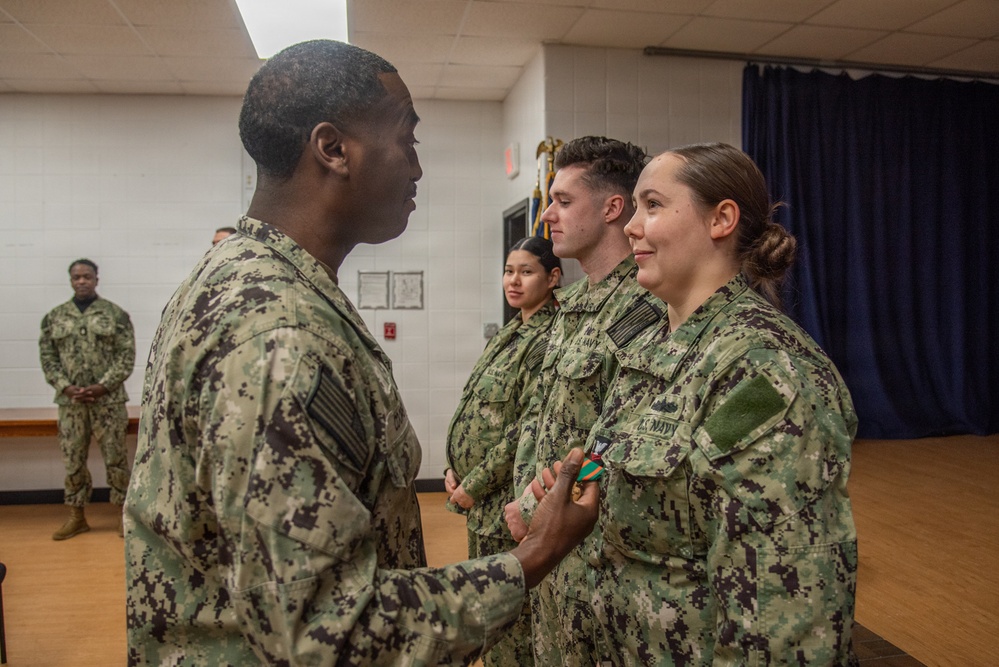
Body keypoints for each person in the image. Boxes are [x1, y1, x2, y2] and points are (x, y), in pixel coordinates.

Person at [123, 39, 598, 666]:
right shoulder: (279, 334)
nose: (417, 168)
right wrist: (534, 556)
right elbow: (327, 636)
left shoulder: (243, 276)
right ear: (333, 149)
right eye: (407, 139)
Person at [557, 142, 858, 664]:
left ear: (721, 219)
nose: (632, 226)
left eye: (653, 205)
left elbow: (781, 618)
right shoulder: (650, 345)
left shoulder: (764, 371)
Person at [504, 136, 666, 666]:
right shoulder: (572, 303)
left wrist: (535, 510)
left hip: (593, 553)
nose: (547, 215)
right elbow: (541, 414)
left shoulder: (644, 306)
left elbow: (617, 435)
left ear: (612, 208)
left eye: (563, 201)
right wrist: (524, 502)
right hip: (549, 543)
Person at [444, 236, 562, 666]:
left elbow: (522, 430)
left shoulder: (547, 338)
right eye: (509, 271)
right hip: (479, 502)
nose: (514, 280)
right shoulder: (511, 330)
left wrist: (472, 485)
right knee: (488, 614)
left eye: (526, 271)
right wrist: (453, 467)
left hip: (504, 504)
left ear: (552, 278)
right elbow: (476, 409)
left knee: (510, 625)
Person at [39, 258, 135, 540]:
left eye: (87, 276)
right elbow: (48, 358)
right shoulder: (55, 317)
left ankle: (123, 515)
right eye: (77, 277)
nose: (82, 281)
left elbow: (126, 356)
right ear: (71, 280)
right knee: (73, 461)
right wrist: (65, 387)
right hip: (71, 404)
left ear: (96, 279)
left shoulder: (115, 315)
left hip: (109, 403)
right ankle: (76, 516)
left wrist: (103, 386)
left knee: (116, 459)